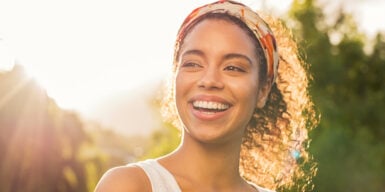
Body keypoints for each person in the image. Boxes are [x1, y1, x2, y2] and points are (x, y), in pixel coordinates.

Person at [94, 1, 318, 191]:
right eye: (193, 64)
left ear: (263, 90)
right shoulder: (130, 185)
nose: (209, 80)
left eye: (233, 68)